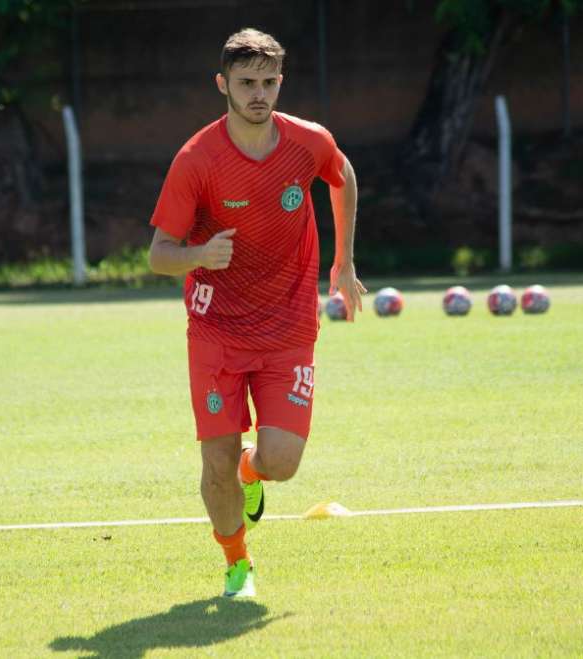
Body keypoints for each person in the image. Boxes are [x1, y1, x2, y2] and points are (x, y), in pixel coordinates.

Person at [147, 28, 365, 597]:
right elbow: (157, 254)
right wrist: (198, 254)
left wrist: (343, 261)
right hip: (217, 329)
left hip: (289, 324)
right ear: (223, 84)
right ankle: (237, 564)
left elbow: (342, 177)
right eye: (246, 83)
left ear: (280, 83)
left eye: (268, 82)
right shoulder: (197, 159)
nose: (259, 94)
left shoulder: (308, 142)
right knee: (214, 460)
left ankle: (253, 471)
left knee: (283, 462)